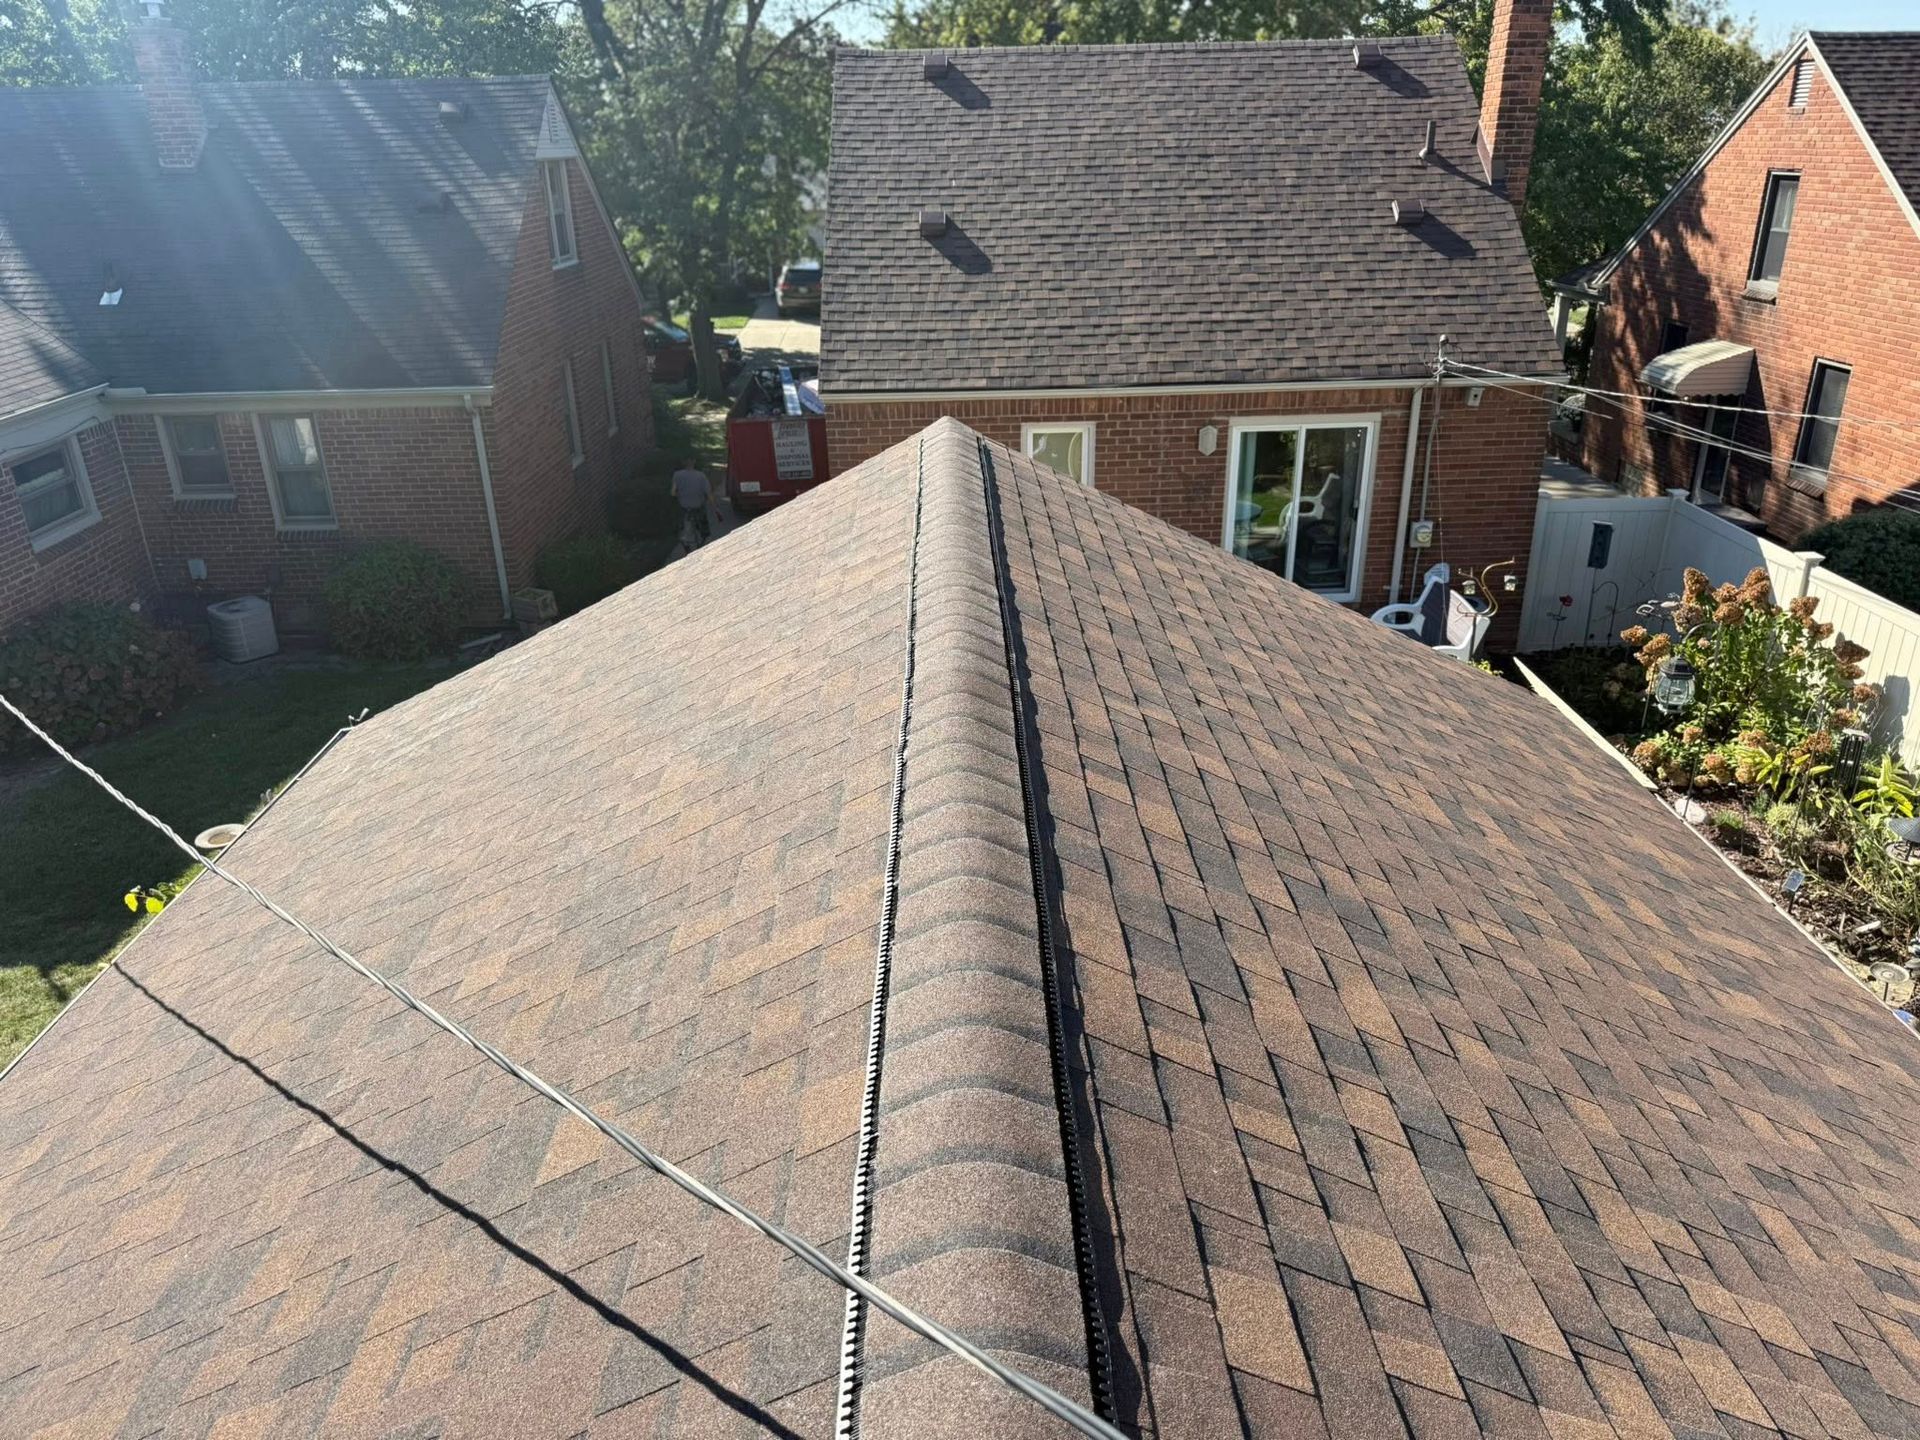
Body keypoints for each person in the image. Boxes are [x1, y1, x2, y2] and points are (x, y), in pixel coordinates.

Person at [670, 455, 714, 549]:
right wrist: (714, 505)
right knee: (703, 522)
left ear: (683, 463)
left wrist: (679, 495)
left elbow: (673, 493)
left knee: (684, 521)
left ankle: (685, 541)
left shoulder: (677, 475)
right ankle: (705, 538)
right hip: (698, 505)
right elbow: (708, 492)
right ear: (694, 463)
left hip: (684, 506)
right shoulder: (701, 475)